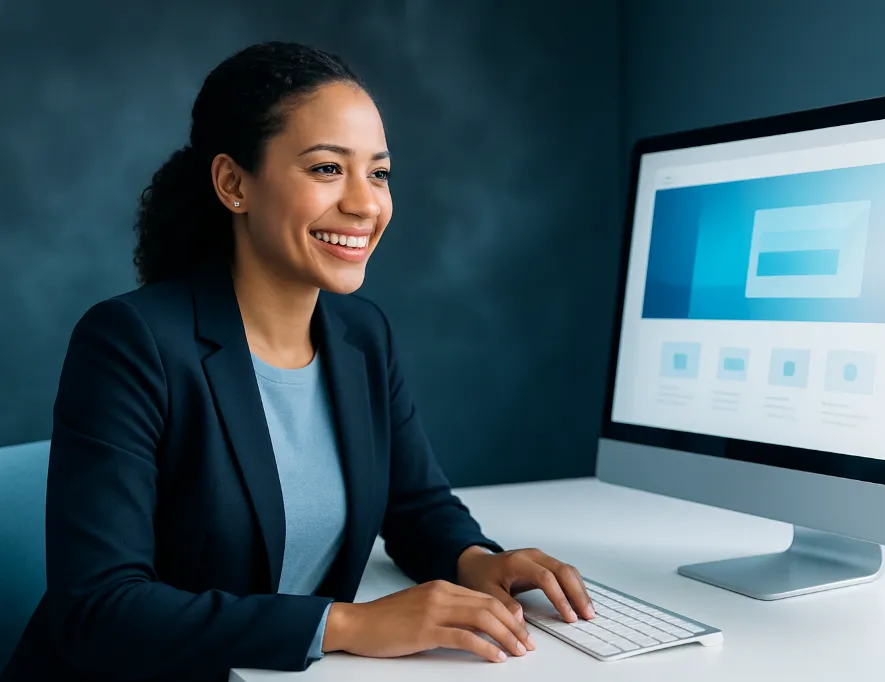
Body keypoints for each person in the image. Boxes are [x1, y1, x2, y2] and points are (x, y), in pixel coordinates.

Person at [0, 41, 594, 682]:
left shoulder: (362, 334)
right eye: (325, 170)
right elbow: (99, 607)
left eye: (380, 173)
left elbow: (416, 504)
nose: (365, 203)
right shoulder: (130, 341)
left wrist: (475, 558)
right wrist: (349, 623)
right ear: (234, 184)